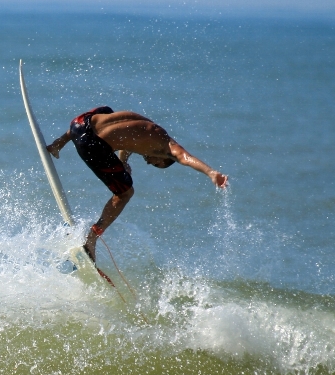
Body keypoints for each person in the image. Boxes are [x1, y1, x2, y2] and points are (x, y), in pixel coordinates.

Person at [47, 106, 227, 262]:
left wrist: (123, 162)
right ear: (165, 158)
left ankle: (58, 143)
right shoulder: (169, 147)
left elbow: (128, 140)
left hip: (78, 123)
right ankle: (91, 239)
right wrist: (211, 172)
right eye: (156, 163)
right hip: (90, 144)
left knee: (108, 113)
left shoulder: (148, 127)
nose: (149, 162)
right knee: (126, 193)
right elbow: (186, 158)